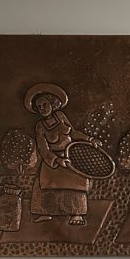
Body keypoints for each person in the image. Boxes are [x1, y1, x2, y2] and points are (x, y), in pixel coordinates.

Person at [24, 82, 99, 226]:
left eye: (44, 104)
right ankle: (45, 212)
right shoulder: (40, 126)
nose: (42, 109)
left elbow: (73, 132)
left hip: (70, 156)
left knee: (76, 183)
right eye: (39, 107)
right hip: (52, 160)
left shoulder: (60, 116)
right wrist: (57, 160)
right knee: (44, 184)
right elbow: (43, 149)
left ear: (52, 103)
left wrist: (90, 139)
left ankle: (77, 214)